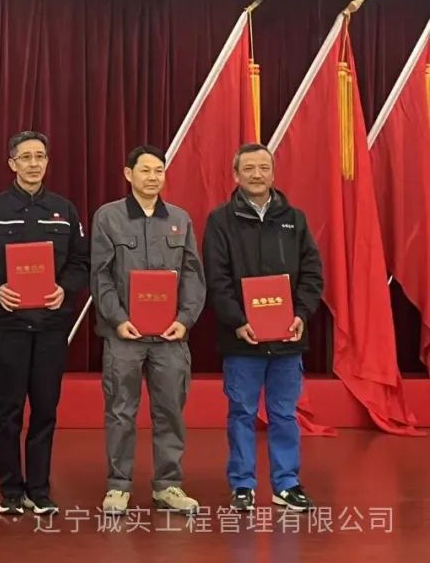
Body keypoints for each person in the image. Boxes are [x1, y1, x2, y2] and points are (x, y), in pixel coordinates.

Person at [0, 131, 89, 516]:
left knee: (46, 409)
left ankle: (39, 488)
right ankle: (10, 490)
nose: (34, 164)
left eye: (40, 157)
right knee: (8, 411)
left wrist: (64, 289)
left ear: (47, 162)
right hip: (9, 325)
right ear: (12, 163)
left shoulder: (64, 210)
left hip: (51, 326)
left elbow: (81, 262)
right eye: (26, 157)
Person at [204, 143, 323, 513]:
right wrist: (237, 321)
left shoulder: (295, 219)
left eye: (264, 167)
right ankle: (242, 485)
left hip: (288, 337)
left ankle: (286, 484)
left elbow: (313, 274)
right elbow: (216, 278)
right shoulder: (220, 220)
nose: (257, 174)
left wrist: (301, 314)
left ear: (273, 173)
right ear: (235, 175)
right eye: (249, 168)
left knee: (284, 414)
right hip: (242, 339)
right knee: (241, 413)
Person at [90, 145, 205, 516]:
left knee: (170, 411)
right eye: (145, 170)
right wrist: (117, 319)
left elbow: (192, 274)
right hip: (124, 335)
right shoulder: (108, 217)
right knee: (121, 411)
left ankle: (168, 485)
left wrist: (184, 319)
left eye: (159, 170)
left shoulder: (180, 219)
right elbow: (101, 276)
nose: (153, 177)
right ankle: (118, 486)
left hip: (170, 337)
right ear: (129, 174)